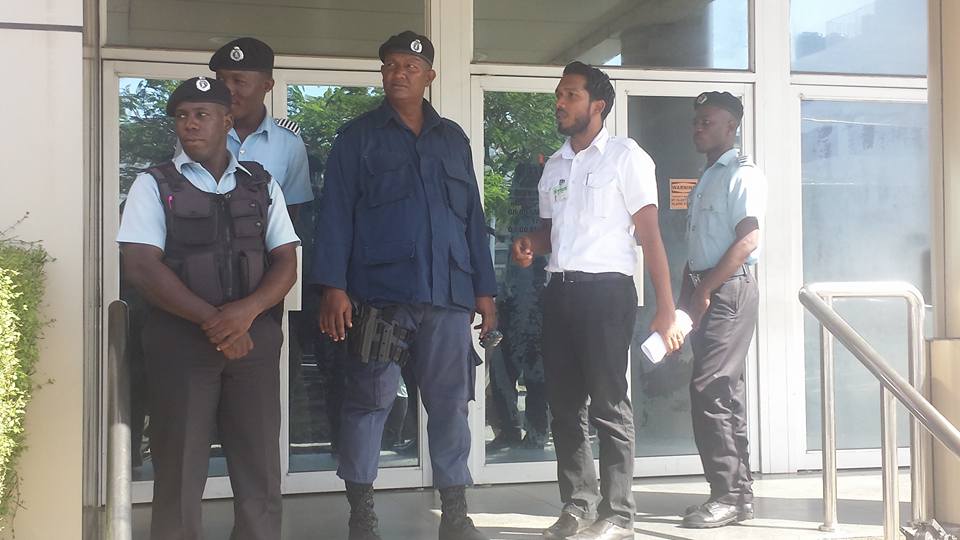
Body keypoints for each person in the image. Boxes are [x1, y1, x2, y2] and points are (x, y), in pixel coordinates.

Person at [309, 31, 497, 540]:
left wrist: (485, 290)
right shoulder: (357, 137)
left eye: (410, 66)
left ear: (429, 75)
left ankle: (455, 515)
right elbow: (335, 217)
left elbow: (473, 219)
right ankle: (362, 516)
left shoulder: (453, 138)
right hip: (380, 297)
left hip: (448, 297)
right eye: (391, 65)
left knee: (450, 404)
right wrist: (333, 285)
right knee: (369, 401)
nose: (399, 74)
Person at [117, 76, 299, 540]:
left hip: (253, 344)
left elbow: (285, 262)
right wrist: (217, 322)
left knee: (259, 468)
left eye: (201, 114)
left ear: (227, 120)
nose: (189, 124)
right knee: (179, 472)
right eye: (181, 116)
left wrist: (245, 314)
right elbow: (140, 266)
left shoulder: (261, 184)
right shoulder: (153, 183)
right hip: (181, 346)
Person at [512, 62, 685, 540]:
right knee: (564, 406)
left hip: (608, 292)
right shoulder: (556, 166)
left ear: (598, 105)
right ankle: (577, 504)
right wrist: (531, 243)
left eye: (570, 95)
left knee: (609, 403)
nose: (560, 103)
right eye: (559, 95)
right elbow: (551, 232)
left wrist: (665, 308)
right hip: (560, 292)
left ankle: (619, 513)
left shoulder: (627, 157)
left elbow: (650, 238)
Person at [678, 91, 765, 529]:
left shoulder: (741, 175)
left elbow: (747, 240)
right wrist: (685, 299)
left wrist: (705, 290)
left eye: (707, 121)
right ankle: (738, 495)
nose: (698, 127)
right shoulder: (707, 177)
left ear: (731, 126)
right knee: (725, 393)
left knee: (710, 390)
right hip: (708, 287)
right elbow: (697, 247)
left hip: (728, 289)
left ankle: (727, 494)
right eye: (696, 121)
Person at [208, 37, 313, 219]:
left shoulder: (288, 141)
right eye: (221, 79)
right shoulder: (199, 133)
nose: (227, 89)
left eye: (239, 81)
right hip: (202, 245)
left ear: (267, 85)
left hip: (263, 246)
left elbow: (291, 211)